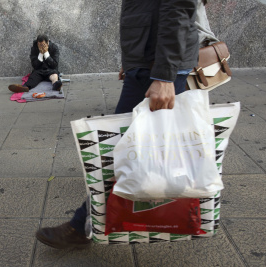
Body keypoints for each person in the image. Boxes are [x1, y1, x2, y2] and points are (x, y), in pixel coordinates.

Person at [35, 0, 200, 249]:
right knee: (122, 150)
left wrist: (164, 75)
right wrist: (133, 60)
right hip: (146, 62)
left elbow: (177, 8)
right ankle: (87, 224)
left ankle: (81, 226)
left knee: (116, 151)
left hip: (157, 65)